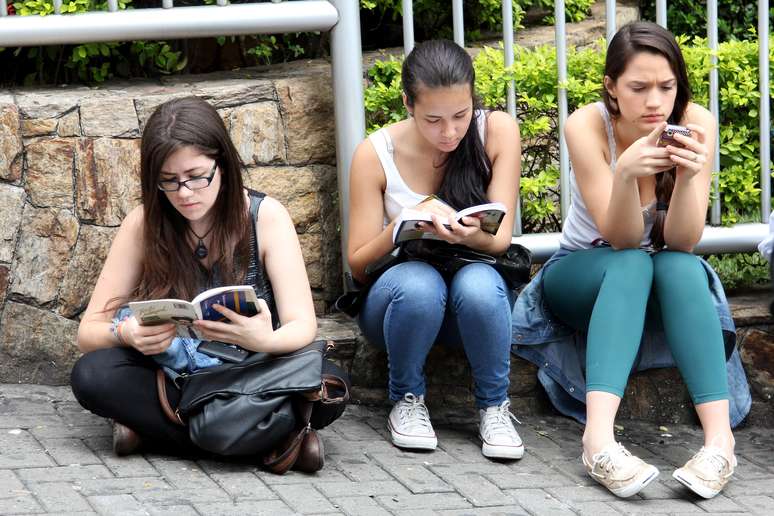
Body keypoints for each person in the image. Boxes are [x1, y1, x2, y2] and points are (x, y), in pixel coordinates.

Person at [512, 21, 748, 499]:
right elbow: (619, 239)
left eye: (666, 86)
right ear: (611, 87)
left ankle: (719, 445)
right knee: (633, 262)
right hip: (583, 275)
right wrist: (624, 175)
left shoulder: (696, 122)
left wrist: (686, 177)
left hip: (661, 279)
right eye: (638, 88)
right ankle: (597, 442)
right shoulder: (588, 124)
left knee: (681, 266)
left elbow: (682, 241)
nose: (655, 102)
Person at [71, 96, 347, 459]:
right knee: (92, 375)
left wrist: (264, 339)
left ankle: (157, 432)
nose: (184, 193)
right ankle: (274, 439)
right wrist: (128, 334)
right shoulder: (143, 223)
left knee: (330, 384)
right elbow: (88, 332)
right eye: (168, 181)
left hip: (253, 371)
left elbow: (302, 325)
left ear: (223, 165)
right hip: (178, 378)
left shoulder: (265, 216)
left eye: (197, 177)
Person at [347, 40, 523, 459]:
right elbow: (357, 266)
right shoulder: (375, 155)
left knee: (480, 282)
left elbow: (498, 241)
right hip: (399, 308)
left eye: (460, 115)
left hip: (474, 307)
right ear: (408, 103)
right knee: (420, 284)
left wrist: (464, 235)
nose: (449, 132)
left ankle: (495, 407)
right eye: (433, 119)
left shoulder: (497, 131)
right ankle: (406, 400)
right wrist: (401, 225)